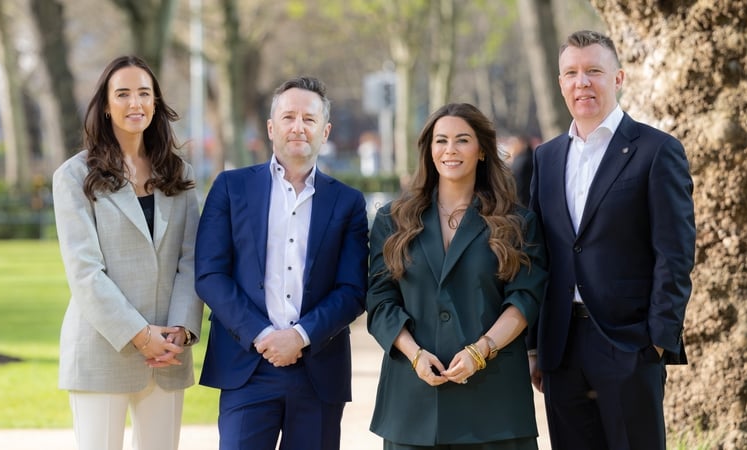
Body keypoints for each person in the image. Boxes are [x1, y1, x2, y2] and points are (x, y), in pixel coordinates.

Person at [527, 30, 696, 450]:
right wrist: (534, 346)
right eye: (571, 73)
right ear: (560, 82)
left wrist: (658, 340)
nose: (581, 82)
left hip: (630, 344)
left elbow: (675, 254)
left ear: (618, 78)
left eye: (593, 71)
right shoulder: (546, 158)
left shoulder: (656, 151)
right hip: (561, 348)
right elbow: (537, 255)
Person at [195, 76, 369, 450]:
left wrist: (299, 337)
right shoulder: (230, 187)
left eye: (309, 119)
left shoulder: (348, 203)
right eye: (288, 117)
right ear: (272, 128)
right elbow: (210, 274)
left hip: (318, 369)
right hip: (246, 367)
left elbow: (353, 290)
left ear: (325, 131)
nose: (298, 127)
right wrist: (263, 336)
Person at [367, 103, 548, 450]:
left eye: (462, 140)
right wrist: (415, 355)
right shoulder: (392, 220)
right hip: (413, 405)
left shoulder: (518, 222)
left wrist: (481, 351)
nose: (450, 149)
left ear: (481, 150)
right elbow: (380, 300)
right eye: (441, 140)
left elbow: (525, 300)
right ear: (429, 150)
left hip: (494, 406)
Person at [52, 55, 204, 450]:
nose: (135, 103)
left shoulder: (180, 174)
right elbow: (85, 272)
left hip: (168, 354)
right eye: (122, 94)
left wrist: (181, 329)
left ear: (155, 102)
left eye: (143, 94)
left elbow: (191, 260)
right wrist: (139, 334)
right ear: (105, 105)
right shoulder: (73, 176)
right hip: (102, 351)